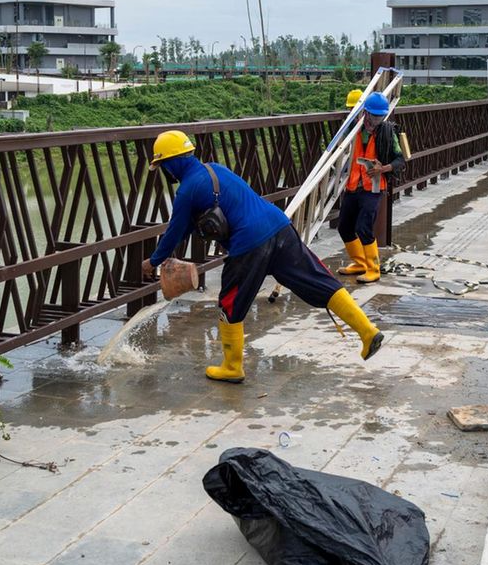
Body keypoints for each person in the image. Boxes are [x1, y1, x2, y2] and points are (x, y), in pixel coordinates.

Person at [142, 131, 383, 383]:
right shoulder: (215, 169)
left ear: (172, 163)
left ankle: (232, 367)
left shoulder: (186, 191)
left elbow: (175, 233)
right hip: (279, 226)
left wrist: (154, 261)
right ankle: (367, 332)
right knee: (319, 279)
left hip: (249, 244)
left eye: (163, 166)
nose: (165, 172)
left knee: (230, 301)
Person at [337, 91, 404, 283]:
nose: (376, 119)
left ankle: (373, 268)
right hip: (353, 184)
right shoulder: (355, 128)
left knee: (363, 227)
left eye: (380, 116)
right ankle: (359, 263)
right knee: (344, 227)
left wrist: (383, 168)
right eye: (373, 115)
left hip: (373, 187)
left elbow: (400, 159)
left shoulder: (387, 132)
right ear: (364, 112)